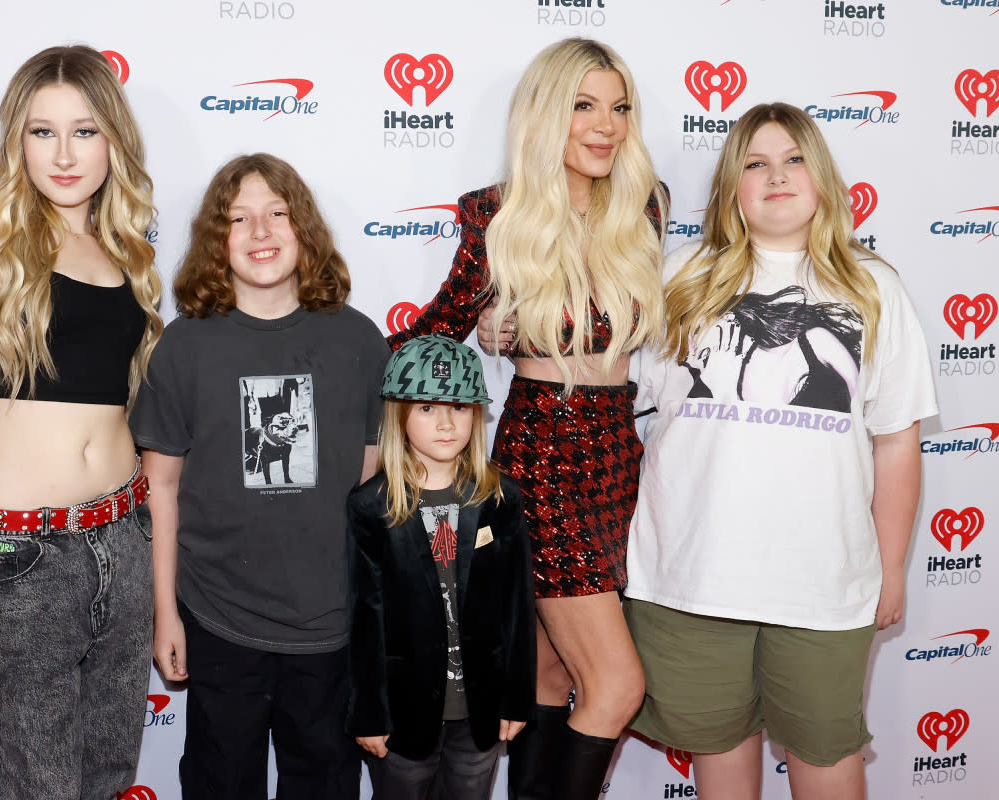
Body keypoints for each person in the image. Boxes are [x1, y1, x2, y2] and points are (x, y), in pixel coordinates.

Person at [624, 102, 937, 800]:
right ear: (731, 186)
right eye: (755, 164)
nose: (776, 176)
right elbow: (619, 396)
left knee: (827, 753)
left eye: (794, 159)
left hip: (824, 580)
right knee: (721, 754)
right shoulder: (683, 275)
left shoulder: (873, 287)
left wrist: (890, 567)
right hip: (693, 572)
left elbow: (895, 443)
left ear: (822, 177)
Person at [390, 38, 668, 798]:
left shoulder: (644, 202)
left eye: (618, 108)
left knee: (549, 669)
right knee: (615, 687)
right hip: (544, 448)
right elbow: (437, 327)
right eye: (584, 106)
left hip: (618, 448)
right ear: (548, 115)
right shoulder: (497, 213)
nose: (605, 126)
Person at [0, 45, 162, 800]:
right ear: (16, 143)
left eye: (84, 131)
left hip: (125, 536)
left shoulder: (132, 257)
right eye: (41, 132)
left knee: (109, 773)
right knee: (40, 783)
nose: (63, 154)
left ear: (113, 141)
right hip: (19, 554)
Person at [130, 153, 389, 800]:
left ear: (305, 229)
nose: (261, 231)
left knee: (325, 782)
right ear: (217, 242)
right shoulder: (184, 348)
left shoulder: (359, 343)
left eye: (278, 213)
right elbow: (160, 488)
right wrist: (167, 613)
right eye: (238, 218)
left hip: (330, 626)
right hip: (219, 618)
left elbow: (371, 486)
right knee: (221, 780)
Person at [347, 335, 537, 800]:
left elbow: (518, 608)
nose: (447, 423)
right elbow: (364, 619)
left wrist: (515, 699)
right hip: (403, 717)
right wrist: (370, 713)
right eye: (427, 408)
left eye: (460, 407)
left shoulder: (500, 498)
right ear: (399, 414)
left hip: (482, 711)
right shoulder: (371, 507)